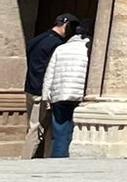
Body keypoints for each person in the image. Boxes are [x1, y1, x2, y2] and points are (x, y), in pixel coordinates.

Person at [21, 14, 80, 159]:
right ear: (67, 25)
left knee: (37, 127)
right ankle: (25, 161)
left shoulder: (37, 39)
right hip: (41, 91)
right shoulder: (56, 44)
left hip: (30, 88)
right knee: (37, 129)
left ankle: (43, 160)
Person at [41, 25, 89, 159]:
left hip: (60, 94)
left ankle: (59, 158)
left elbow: (50, 72)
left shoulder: (61, 48)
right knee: (77, 129)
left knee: (60, 131)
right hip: (79, 94)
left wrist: (46, 96)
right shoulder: (89, 49)